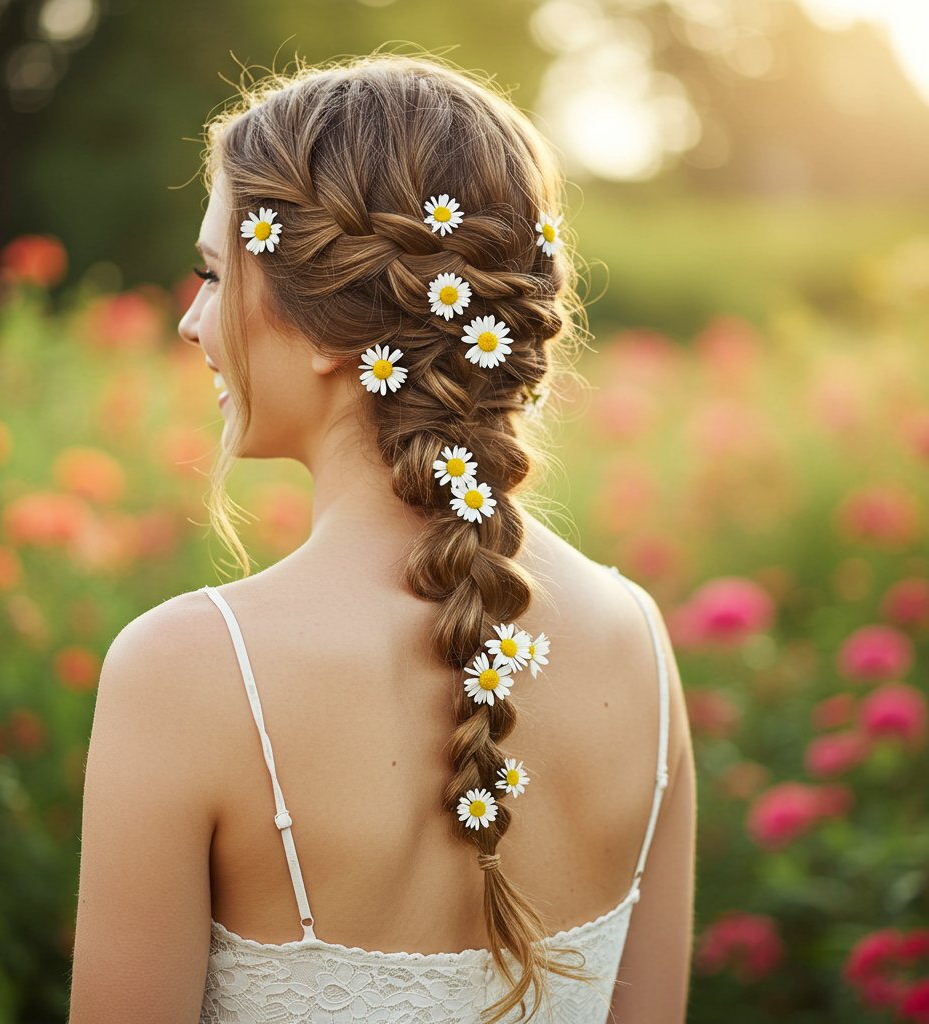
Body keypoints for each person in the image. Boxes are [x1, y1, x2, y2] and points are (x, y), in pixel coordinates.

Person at [67, 52, 696, 1024]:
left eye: (213, 274)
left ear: (331, 326)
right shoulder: (637, 643)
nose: (192, 322)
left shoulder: (188, 673)